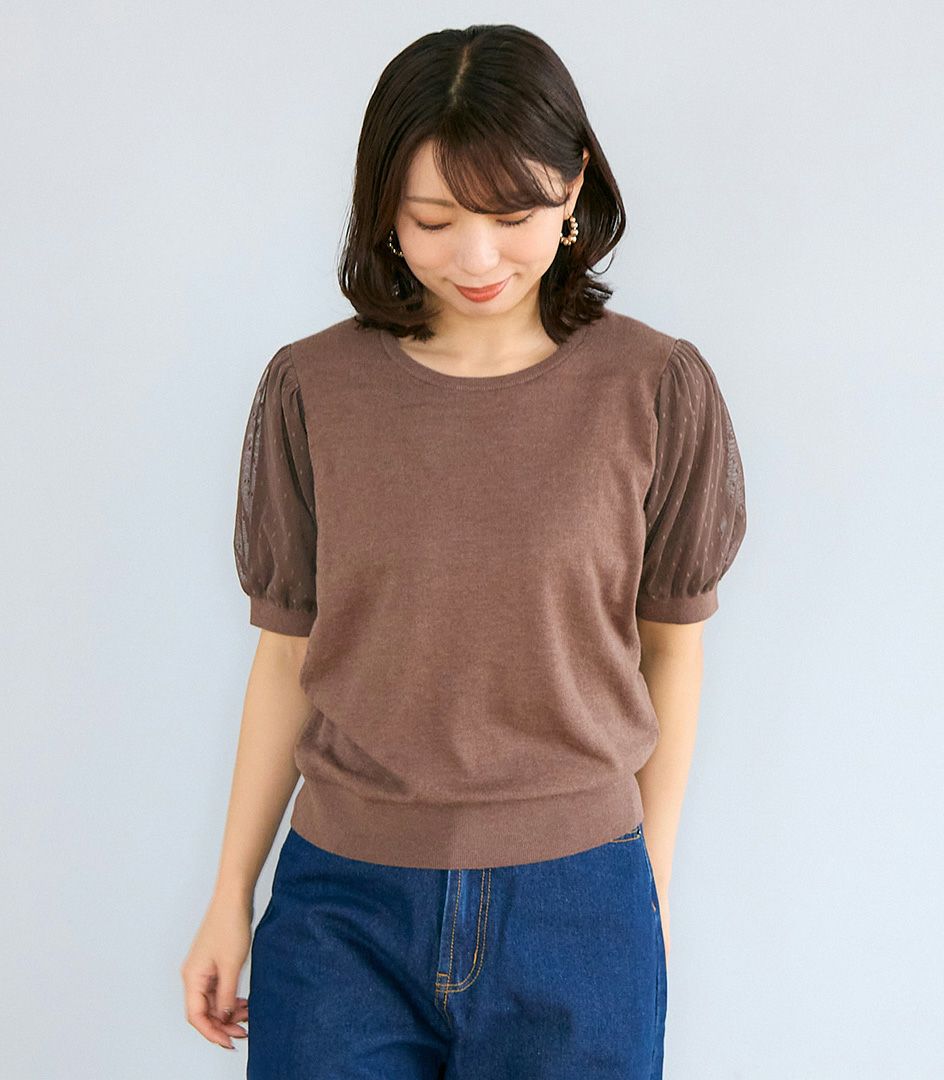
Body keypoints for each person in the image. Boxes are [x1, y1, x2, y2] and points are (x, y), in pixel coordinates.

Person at [181, 22, 747, 1079]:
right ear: (382, 209)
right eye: (433, 220)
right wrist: (228, 897)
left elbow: (671, 648)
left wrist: (648, 892)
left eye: (512, 215)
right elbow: (288, 654)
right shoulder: (312, 388)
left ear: (574, 186)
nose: (476, 258)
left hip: (579, 902)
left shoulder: (654, 388)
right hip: (341, 909)